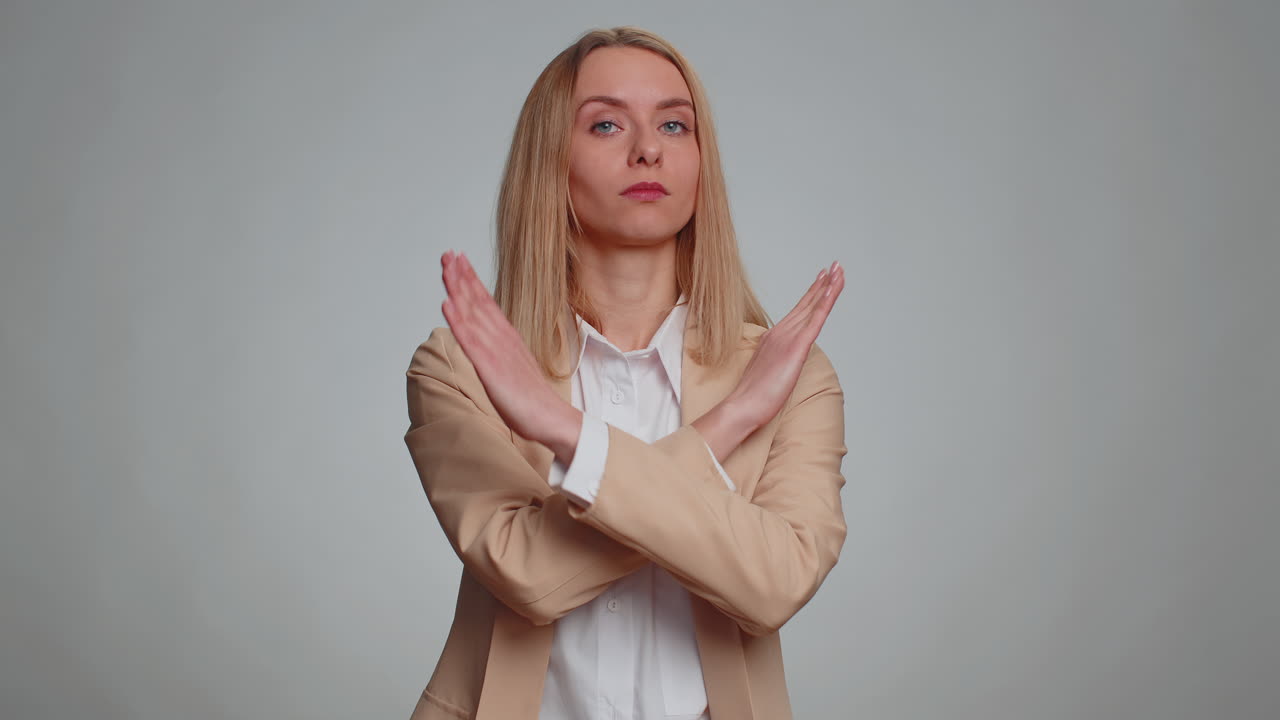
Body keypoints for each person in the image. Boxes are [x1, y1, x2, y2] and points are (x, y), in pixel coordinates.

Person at [403, 26, 847, 720]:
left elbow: (775, 584)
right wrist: (725, 425)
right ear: (550, 161)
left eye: (674, 123)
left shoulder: (790, 374)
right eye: (607, 124)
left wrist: (570, 441)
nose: (649, 149)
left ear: (702, 161)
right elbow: (526, 576)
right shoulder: (461, 367)